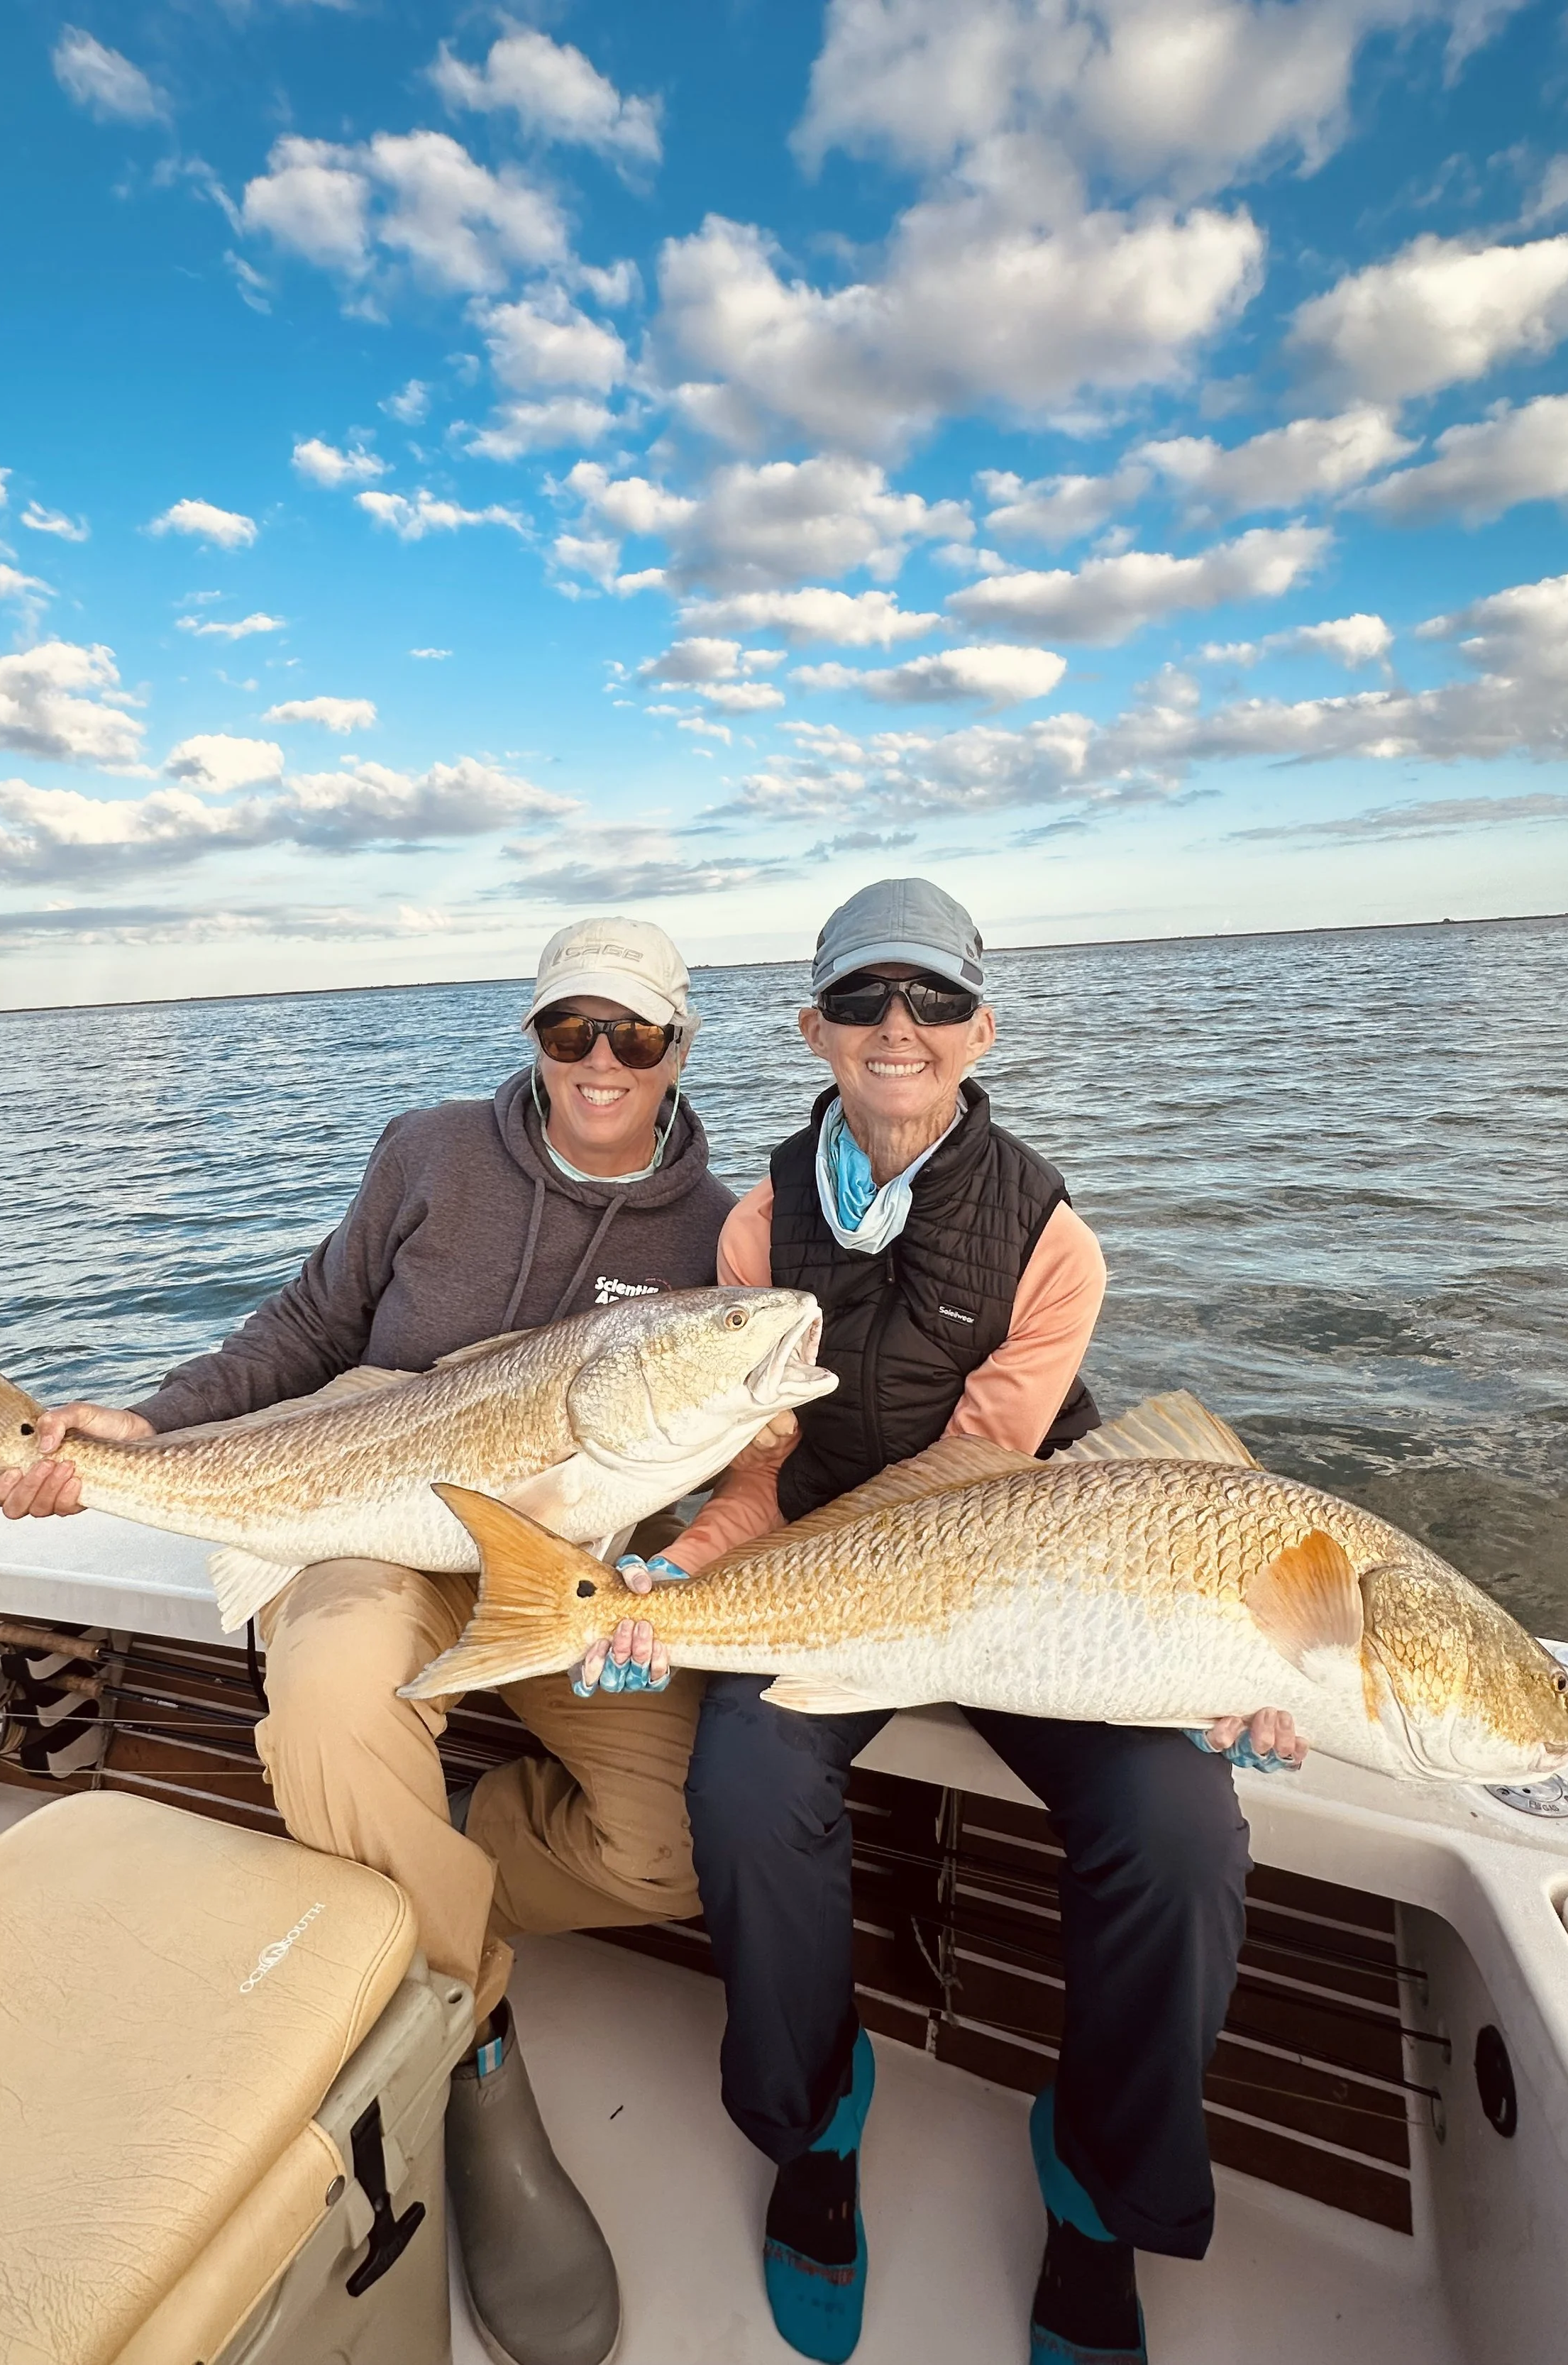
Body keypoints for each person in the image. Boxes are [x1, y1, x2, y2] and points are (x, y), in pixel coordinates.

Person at [0, 915, 736, 2365]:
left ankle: (402, 1855)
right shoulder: (427, 1150)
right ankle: (473, 2043)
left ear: (677, 1050)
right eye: (568, 1029)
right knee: (331, 1705)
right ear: (531, 1037)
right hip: (359, 1514)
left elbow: (737, 1453)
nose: (598, 1062)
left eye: (631, 1036)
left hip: (568, 1567)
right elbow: (309, 1323)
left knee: (675, 1848)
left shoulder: (719, 1231)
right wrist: (140, 1425)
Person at [583, 880, 1306, 2365]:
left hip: (1034, 1581)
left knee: (1177, 1832)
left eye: (926, 1000)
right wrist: (693, 1566)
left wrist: (1220, 1644)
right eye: (859, 1000)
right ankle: (810, 2128)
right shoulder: (756, 1223)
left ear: (979, 1026)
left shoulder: (1055, 1240)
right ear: (812, 1029)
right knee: (742, 1785)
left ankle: (1098, 2192)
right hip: (831, 1579)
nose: (893, 1029)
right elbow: (758, 1464)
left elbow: (984, 1471)